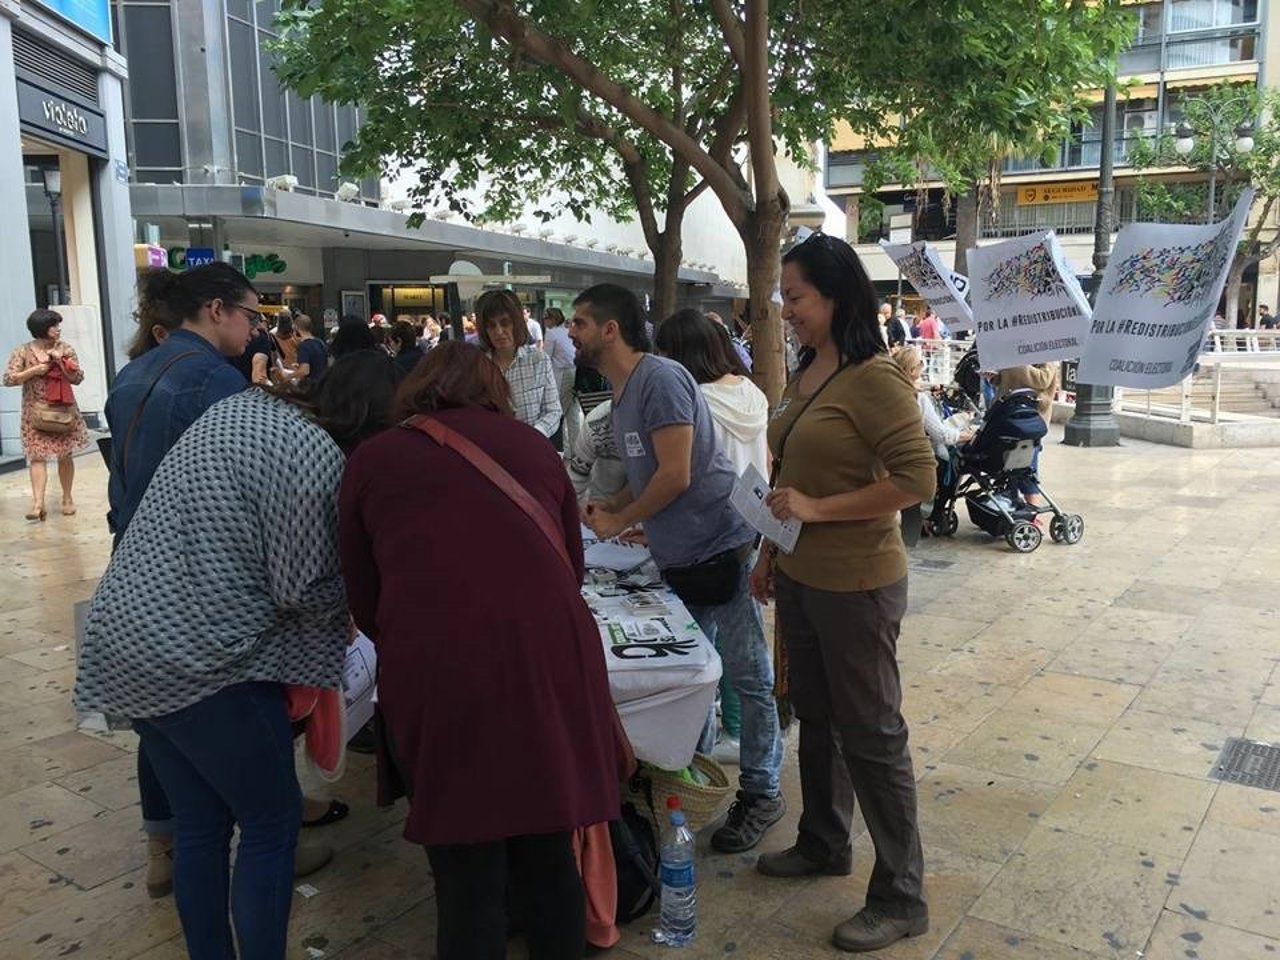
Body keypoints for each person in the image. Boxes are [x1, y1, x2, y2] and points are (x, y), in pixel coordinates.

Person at [337, 341, 620, 960]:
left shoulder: (374, 459)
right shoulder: (532, 448)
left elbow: (363, 594)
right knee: (549, 852)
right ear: (497, 391)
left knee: (465, 872)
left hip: (439, 669)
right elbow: (571, 566)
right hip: (547, 661)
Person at [751, 232, 935, 953]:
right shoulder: (808, 371)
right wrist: (770, 550)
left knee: (873, 734)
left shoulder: (874, 377)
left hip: (858, 584)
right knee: (818, 717)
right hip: (801, 578)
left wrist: (818, 511)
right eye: (784, 297)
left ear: (835, 296)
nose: (785, 310)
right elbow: (791, 477)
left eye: (795, 297)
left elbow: (917, 480)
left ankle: (901, 896)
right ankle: (824, 841)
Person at [572, 283, 785, 854]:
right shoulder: (624, 392)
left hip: (719, 551)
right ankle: (694, 787)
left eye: (580, 322)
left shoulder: (661, 379)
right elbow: (652, 477)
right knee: (696, 680)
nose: (571, 332)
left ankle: (762, 791)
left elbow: (676, 474)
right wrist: (616, 506)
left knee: (748, 679)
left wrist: (621, 519)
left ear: (610, 330)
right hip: (681, 558)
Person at [655, 308, 770, 766]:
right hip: (749, 529)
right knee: (749, 663)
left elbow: (680, 475)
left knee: (699, 665)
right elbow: (765, 462)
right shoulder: (751, 392)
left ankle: (698, 765)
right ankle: (756, 765)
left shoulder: (694, 402)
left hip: (702, 538)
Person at [4, 309, 89, 520]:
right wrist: (33, 371)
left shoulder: (65, 349)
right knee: (37, 457)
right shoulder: (23, 351)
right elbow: (8, 379)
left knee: (65, 455)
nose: (58, 329)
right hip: (35, 413)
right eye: (54, 326)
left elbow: (77, 378)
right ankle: (37, 504)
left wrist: (61, 362)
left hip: (62, 411)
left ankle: (67, 498)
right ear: (42, 328)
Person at [475, 289, 561, 437]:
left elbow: (553, 411)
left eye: (505, 323)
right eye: (491, 325)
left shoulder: (539, 360)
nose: (499, 331)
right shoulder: (477, 366)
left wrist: (530, 437)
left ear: (517, 323)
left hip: (532, 443)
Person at [994, 362, 1059, 516]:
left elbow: (1043, 380)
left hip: (1031, 419)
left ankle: (1032, 510)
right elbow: (1008, 378)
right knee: (1009, 464)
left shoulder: (1048, 356)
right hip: (1008, 414)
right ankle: (1012, 502)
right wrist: (996, 377)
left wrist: (1019, 365)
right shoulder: (1012, 355)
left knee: (1027, 465)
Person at [543, 307, 580, 451]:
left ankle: (560, 449)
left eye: (546, 318)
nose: (544, 321)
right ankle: (576, 451)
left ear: (553, 319)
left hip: (561, 374)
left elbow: (546, 357)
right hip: (574, 371)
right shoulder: (566, 330)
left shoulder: (551, 333)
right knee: (573, 414)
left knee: (558, 414)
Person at [294, 313, 329, 382]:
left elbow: (305, 371)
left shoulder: (303, 346)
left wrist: (288, 376)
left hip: (311, 385)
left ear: (296, 328)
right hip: (324, 383)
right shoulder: (320, 342)